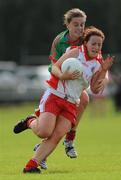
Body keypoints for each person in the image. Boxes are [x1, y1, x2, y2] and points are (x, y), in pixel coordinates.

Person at [13, 26, 114, 173]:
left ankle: (31, 166)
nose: (96, 47)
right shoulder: (75, 52)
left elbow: (94, 89)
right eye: (94, 43)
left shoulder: (98, 64)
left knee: (57, 135)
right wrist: (62, 76)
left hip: (72, 103)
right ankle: (30, 121)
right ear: (86, 43)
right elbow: (55, 67)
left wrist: (104, 70)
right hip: (55, 95)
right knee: (44, 132)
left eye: (99, 44)